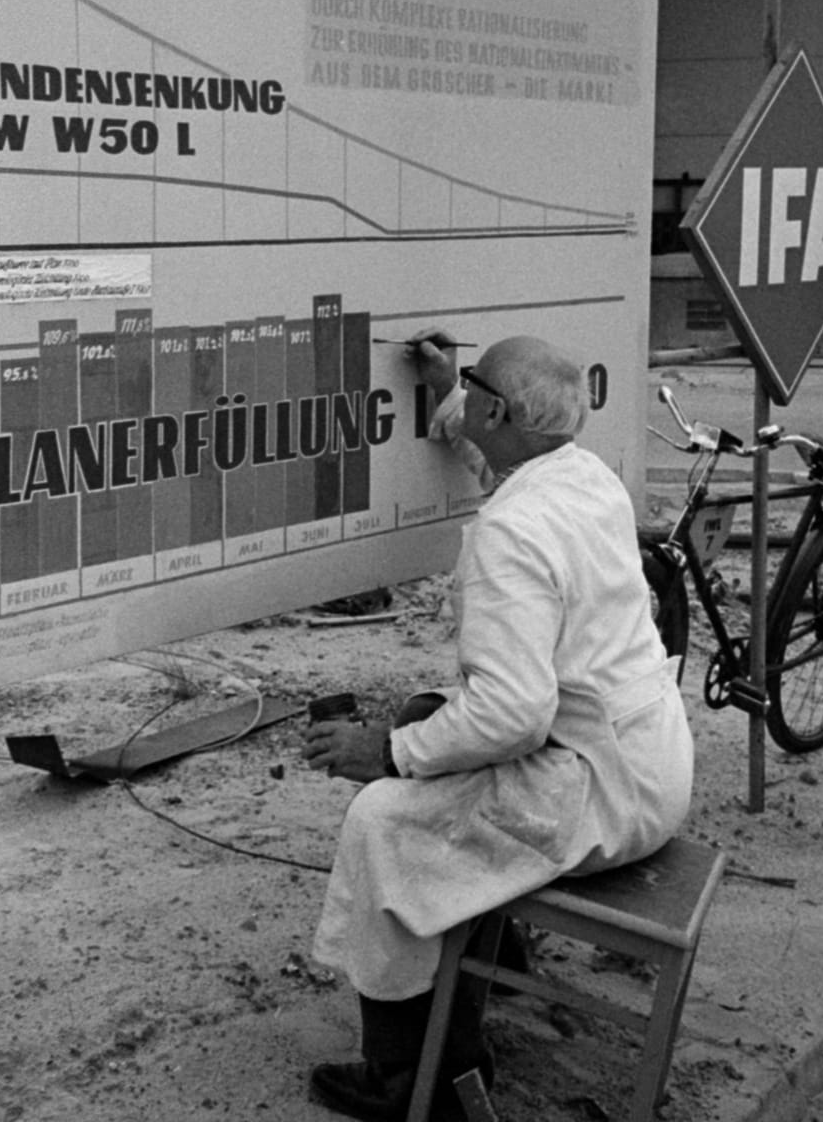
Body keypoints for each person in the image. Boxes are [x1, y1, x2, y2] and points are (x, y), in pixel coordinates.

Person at [301, 332, 694, 1120]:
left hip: (598, 792)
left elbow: (514, 714)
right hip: (653, 759)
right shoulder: (586, 477)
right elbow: (509, 463)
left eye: (474, 384)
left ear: (497, 408)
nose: (467, 390)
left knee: (383, 821)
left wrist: (387, 751)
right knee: (429, 716)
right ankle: (487, 960)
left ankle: (418, 1079)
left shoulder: (508, 535)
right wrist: (455, 393)